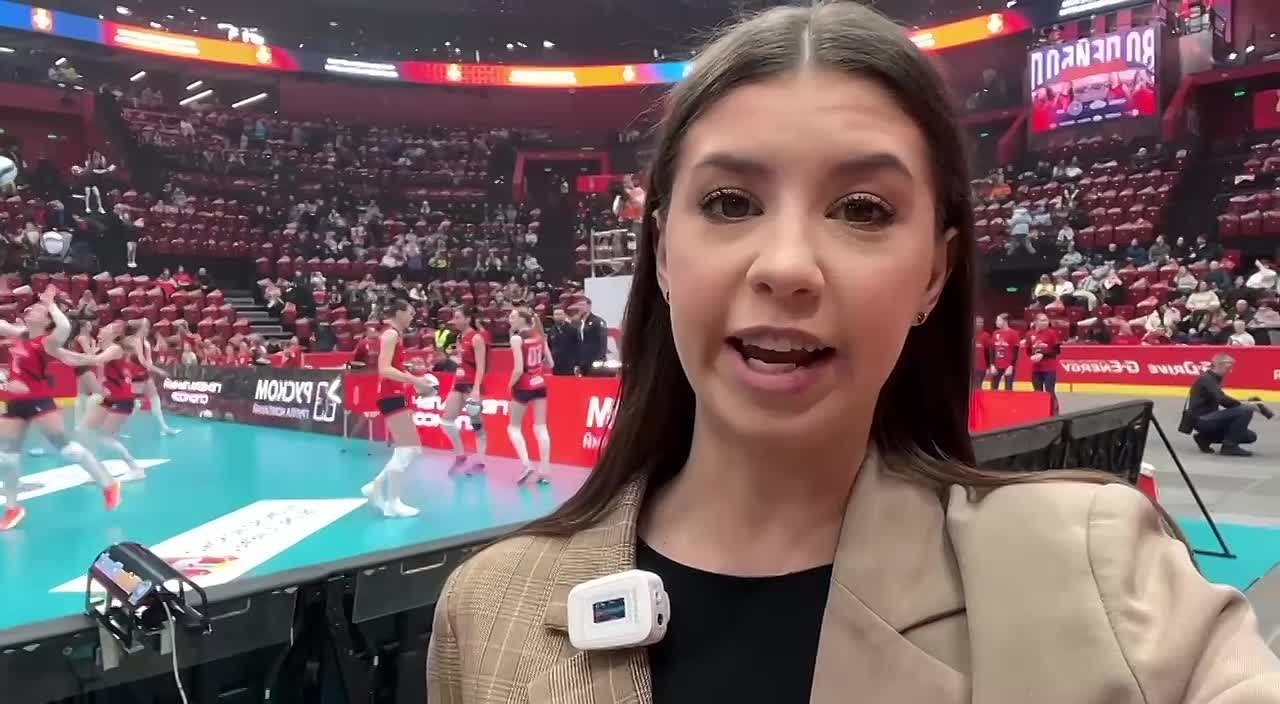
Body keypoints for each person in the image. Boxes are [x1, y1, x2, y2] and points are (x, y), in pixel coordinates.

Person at [427, 4, 1280, 702]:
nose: (787, 266)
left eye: (864, 209)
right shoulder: (487, 611)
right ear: (660, 254)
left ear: (934, 274)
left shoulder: (1106, 572)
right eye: (730, 202)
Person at [1, 287, 120, 530]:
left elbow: (64, 328)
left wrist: (51, 304)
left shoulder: (47, 342)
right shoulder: (22, 334)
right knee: (7, 457)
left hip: (39, 400)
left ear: (47, 321)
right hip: (15, 401)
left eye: (37, 310)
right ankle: (13, 507)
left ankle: (108, 483)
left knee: (67, 449)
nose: (31, 310)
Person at [361, 300, 438, 518]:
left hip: (395, 394)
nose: (413, 316)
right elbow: (384, 370)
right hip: (390, 395)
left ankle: (376, 487)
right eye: (410, 312)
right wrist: (416, 380)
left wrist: (413, 379)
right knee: (408, 448)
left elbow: (395, 368)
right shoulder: (391, 334)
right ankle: (392, 502)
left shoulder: (394, 334)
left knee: (411, 449)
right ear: (399, 312)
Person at [60, 321, 148, 481]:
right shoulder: (106, 348)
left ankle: (136, 469)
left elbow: (95, 360)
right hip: (110, 397)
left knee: (105, 436)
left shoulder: (115, 348)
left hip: (122, 398)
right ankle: (97, 468)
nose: (101, 329)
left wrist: (64, 354)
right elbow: (96, 362)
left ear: (116, 333)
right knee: (84, 429)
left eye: (107, 327)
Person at [1187, 354, 1267, 457]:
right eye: (1228, 368)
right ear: (1219, 365)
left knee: (1250, 436)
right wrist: (1244, 405)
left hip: (1208, 417)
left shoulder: (1212, 378)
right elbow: (1222, 399)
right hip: (1202, 419)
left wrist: (1242, 404)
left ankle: (1204, 438)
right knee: (1246, 410)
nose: (1230, 371)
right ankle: (1229, 446)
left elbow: (1223, 399)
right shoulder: (1206, 379)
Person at [506, 308, 552, 484]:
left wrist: (509, 385)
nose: (510, 319)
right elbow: (550, 363)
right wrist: (536, 367)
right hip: (539, 384)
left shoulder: (517, 339)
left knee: (513, 428)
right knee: (541, 428)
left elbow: (518, 369)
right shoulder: (540, 336)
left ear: (522, 320)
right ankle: (544, 471)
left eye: (513, 316)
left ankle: (526, 465)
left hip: (523, 386)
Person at [441, 307, 487, 475]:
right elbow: (461, 362)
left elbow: (481, 367)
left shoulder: (476, 338)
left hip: (471, 384)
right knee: (446, 420)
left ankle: (481, 461)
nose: (454, 320)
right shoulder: (460, 337)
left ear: (467, 319)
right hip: (458, 383)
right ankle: (460, 455)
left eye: (458, 317)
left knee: (477, 424)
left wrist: (476, 389)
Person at [129, 319, 178, 435]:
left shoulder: (145, 342)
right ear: (140, 328)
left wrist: (151, 367)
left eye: (148, 327)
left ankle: (164, 427)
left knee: (155, 400)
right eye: (145, 327)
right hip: (135, 375)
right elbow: (142, 360)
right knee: (135, 404)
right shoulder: (136, 341)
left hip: (145, 375)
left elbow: (148, 360)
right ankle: (117, 427)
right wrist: (158, 370)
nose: (147, 330)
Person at [1025, 313, 1062, 415]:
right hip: (1036, 368)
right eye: (1042, 320)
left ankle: (1054, 413)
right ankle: (1040, 412)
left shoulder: (1052, 333)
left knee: (1049, 390)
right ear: (1036, 322)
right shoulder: (1029, 334)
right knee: (1038, 391)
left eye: (1046, 320)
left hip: (1049, 368)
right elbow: (1028, 350)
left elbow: (1057, 350)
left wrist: (1043, 355)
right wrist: (1031, 357)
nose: (1045, 322)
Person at [574, 298, 608, 375]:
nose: (580, 307)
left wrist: (600, 359)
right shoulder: (578, 323)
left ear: (589, 306)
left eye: (582, 305)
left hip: (595, 361)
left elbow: (603, 342)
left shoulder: (597, 321)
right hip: (582, 361)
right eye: (579, 305)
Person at [988, 312, 1020, 390]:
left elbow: (1016, 351)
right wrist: (992, 364)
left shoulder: (1013, 333)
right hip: (997, 365)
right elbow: (992, 349)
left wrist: (1011, 366)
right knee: (993, 388)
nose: (996, 322)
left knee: (1008, 389)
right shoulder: (995, 333)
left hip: (1008, 365)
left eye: (998, 320)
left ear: (1005, 321)